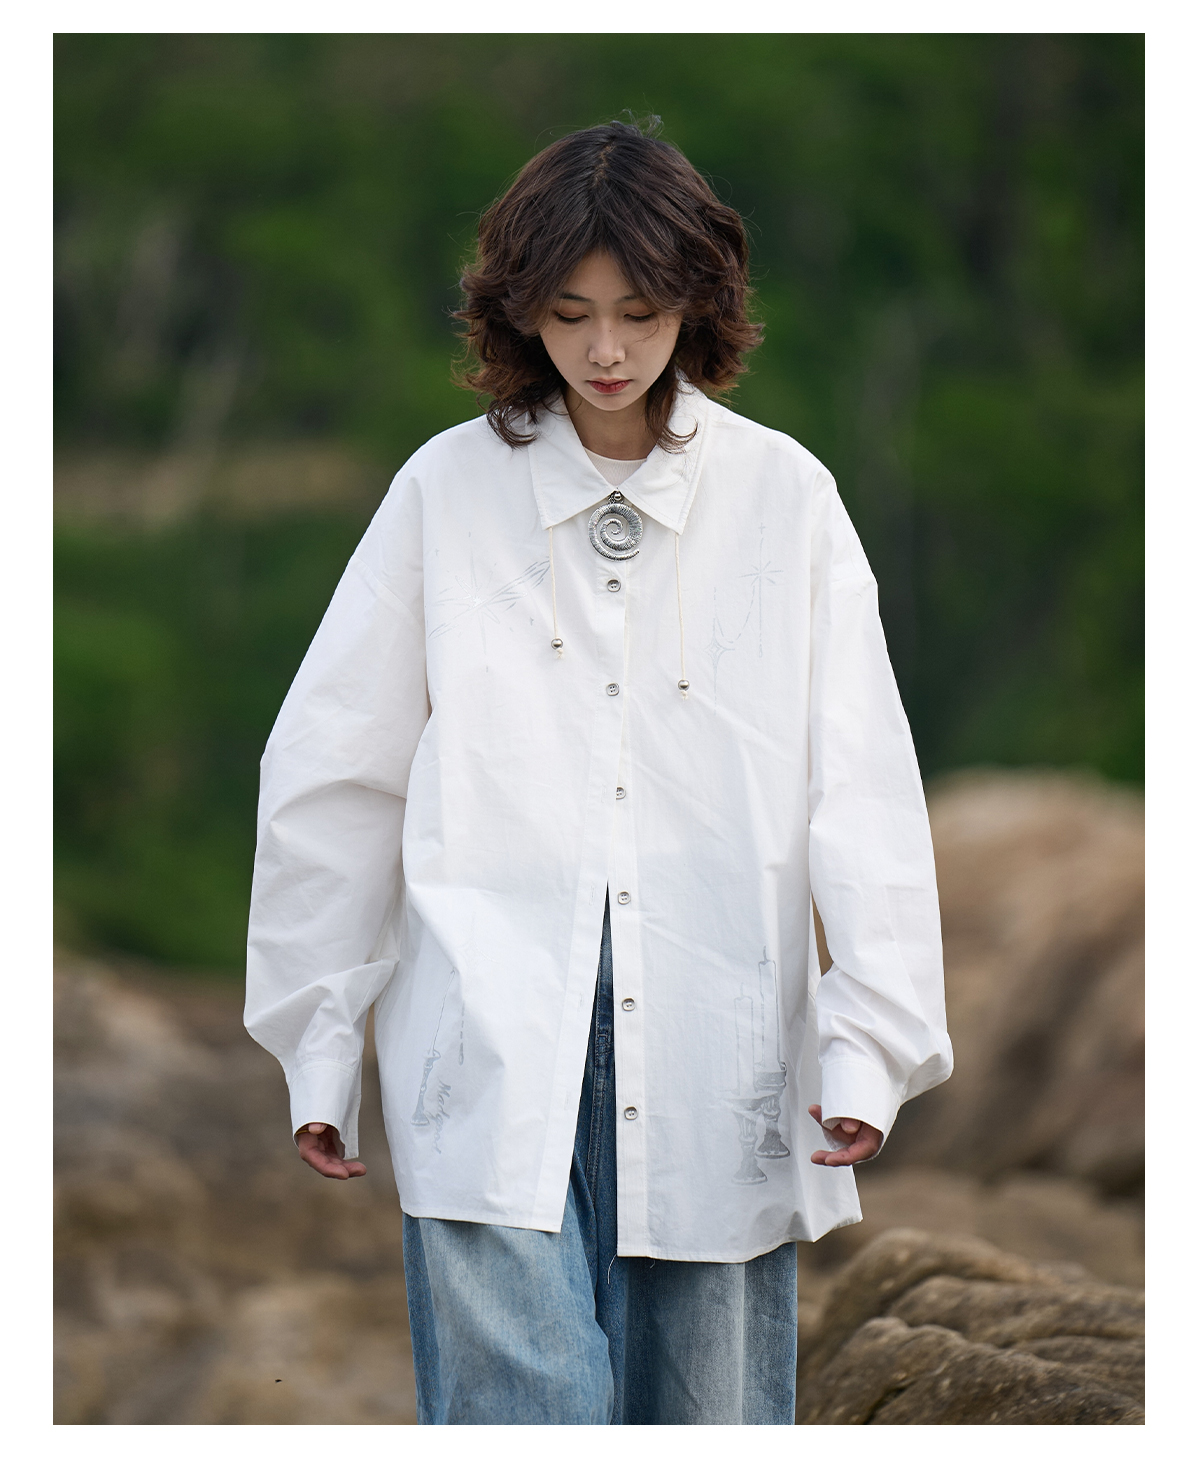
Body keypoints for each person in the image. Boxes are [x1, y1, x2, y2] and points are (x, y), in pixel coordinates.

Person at [244, 117, 953, 1426]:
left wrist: (870, 1043)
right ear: (521, 311)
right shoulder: (444, 492)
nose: (608, 350)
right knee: (524, 1414)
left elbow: (863, 789)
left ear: (698, 304)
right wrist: (318, 1038)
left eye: (640, 312)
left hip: (719, 1032)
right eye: (571, 315)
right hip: (484, 1029)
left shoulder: (786, 499)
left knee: (707, 1421)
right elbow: (337, 776)